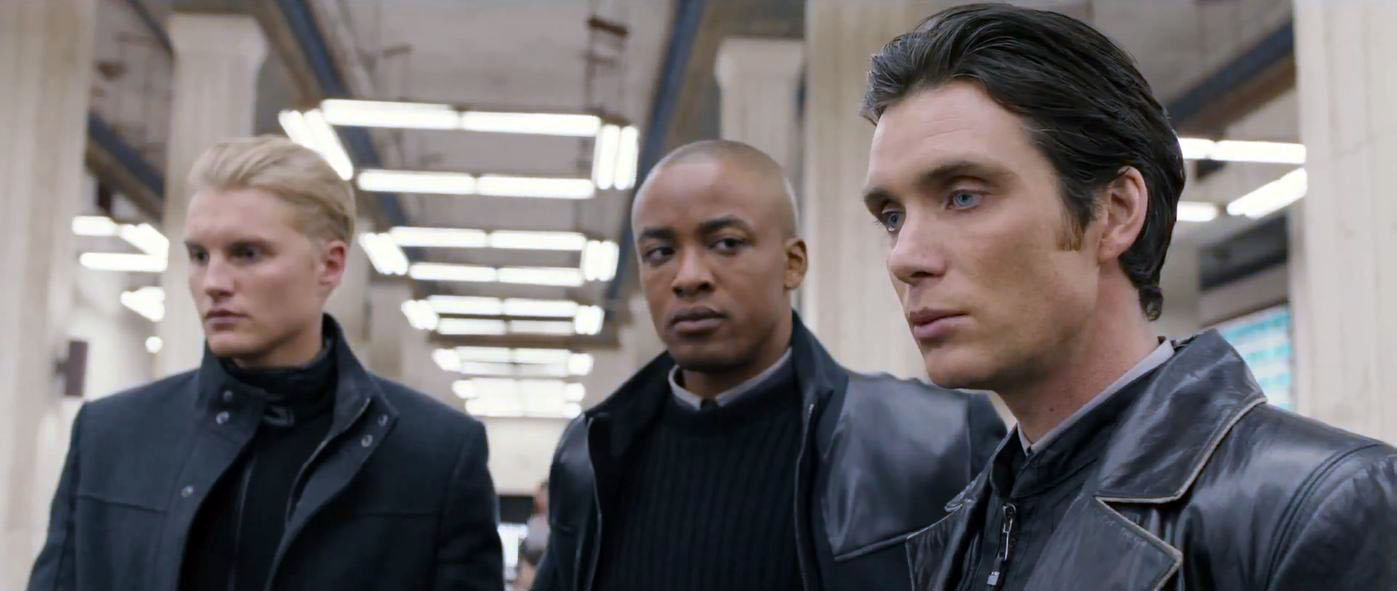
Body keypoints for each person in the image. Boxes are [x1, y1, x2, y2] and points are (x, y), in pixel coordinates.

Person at [859, 5, 1397, 590]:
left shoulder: (1323, 506)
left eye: (963, 196)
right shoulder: (969, 527)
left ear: (1115, 213)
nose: (904, 257)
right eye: (892, 216)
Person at [27, 136, 504, 590]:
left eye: (247, 254)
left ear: (330, 265)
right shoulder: (111, 437)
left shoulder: (436, 456)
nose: (214, 281)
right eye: (199, 255)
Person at [533, 140, 1004, 591]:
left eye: (726, 243)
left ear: (792, 263)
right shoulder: (591, 455)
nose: (688, 277)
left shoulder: (937, 443)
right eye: (660, 253)